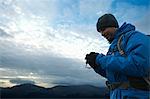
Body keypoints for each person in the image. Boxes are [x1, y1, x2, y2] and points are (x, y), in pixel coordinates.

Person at [85, 14, 150, 99]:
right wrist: (96, 66)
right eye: (100, 32)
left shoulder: (134, 37)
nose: (102, 34)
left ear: (113, 25)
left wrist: (100, 59)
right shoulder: (113, 46)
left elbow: (139, 65)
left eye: (103, 29)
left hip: (136, 95)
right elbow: (115, 75)